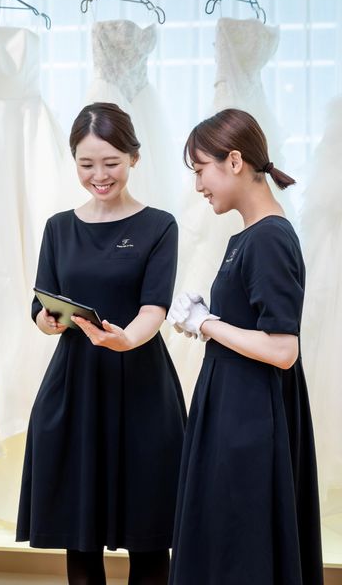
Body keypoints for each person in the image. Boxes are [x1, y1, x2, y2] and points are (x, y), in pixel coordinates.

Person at [17, 102, 186, 585]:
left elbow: (155, 307)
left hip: (142, 384)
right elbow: (42, 304)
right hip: (76, 387)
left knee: (149, 533)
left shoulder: (159, 225)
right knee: (80, 532)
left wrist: (126, 339)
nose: (99, 176)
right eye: (86, 164)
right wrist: (46, 321)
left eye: (111, 163)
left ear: (134, 157)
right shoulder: (58, 227)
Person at [167, 108, 324, 584]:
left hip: (250, 419)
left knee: (241, 547)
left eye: (201, 170)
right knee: (227, 542)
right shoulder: (249, 236)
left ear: (234, 161)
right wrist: (207, 319)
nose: (198, 185)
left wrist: (206, 323)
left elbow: (282, 349)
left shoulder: (269, 237)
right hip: (235, 408)